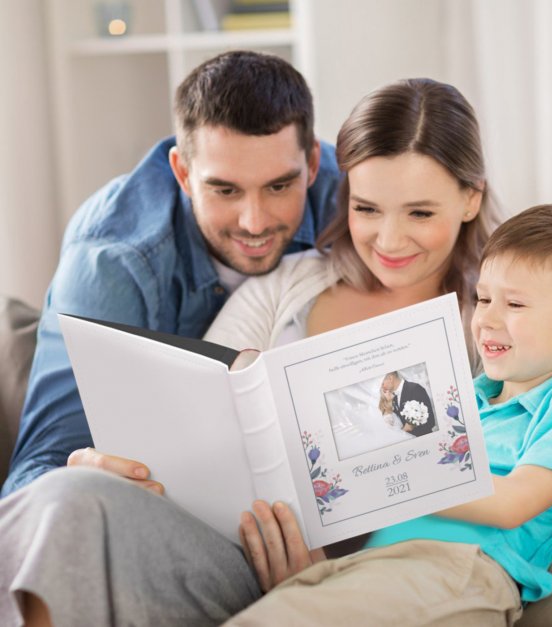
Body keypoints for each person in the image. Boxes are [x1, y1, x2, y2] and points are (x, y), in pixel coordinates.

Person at [0, 77, 500, 626]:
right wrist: (109, 464)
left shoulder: (492, 325)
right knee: (71, 497)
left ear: (470, 197)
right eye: (367, 209)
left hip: (357, 581)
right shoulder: (291, 283)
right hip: (215, 547)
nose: (389, 239)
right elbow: (189, 406)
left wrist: (320, 578)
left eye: (420, 214)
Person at [225, 204, 552, 626]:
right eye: (483, 298)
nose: (486, 318)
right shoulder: (465, 394)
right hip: (374, 565)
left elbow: (513, 503)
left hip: (461, 571)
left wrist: (392, 473)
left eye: (516, 304)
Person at [1, 50, 340, 497]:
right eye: (224, 189)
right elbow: (31, 479)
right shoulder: (113, 262)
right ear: (182, 172)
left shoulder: (355, 201)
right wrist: (81, 482)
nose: (254, 221)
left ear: (312, 163)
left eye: (279, 186)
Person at [379, 370, 436, 436]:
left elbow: (431, 421)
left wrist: (412, 424)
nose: (382, 387)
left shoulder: (415, 388)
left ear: (390, 378)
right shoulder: (393, 398)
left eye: (382, 384)